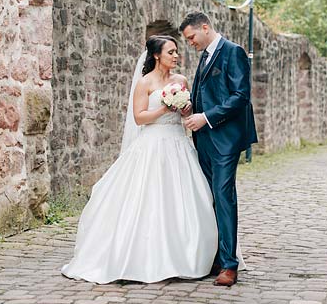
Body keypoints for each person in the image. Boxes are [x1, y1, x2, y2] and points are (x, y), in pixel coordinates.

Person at [60, 35, 220, 284]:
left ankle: (188, 256)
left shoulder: (182, 80)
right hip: (153, 144)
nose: (176, 56)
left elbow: (188, 110)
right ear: (157, 55)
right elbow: (140, 117)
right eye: (171, 52)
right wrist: (164, 108)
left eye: (177, 51)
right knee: (149, 199)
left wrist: (185, 108)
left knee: (186, 198)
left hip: (179, 144)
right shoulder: (144, 83)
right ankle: (145, 258)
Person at [179, 12, 257, 287]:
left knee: (224, 197)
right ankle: (213, 256)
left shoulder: (233, 52)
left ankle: (229, 265)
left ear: (205, 27)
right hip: (204, 140)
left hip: (225, 139)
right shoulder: (204, 57)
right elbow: (207, 93)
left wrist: (207, 117)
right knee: (207, 197)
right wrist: (192, 108)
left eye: (191, 37)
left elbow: (240, 96)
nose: (190, 43)